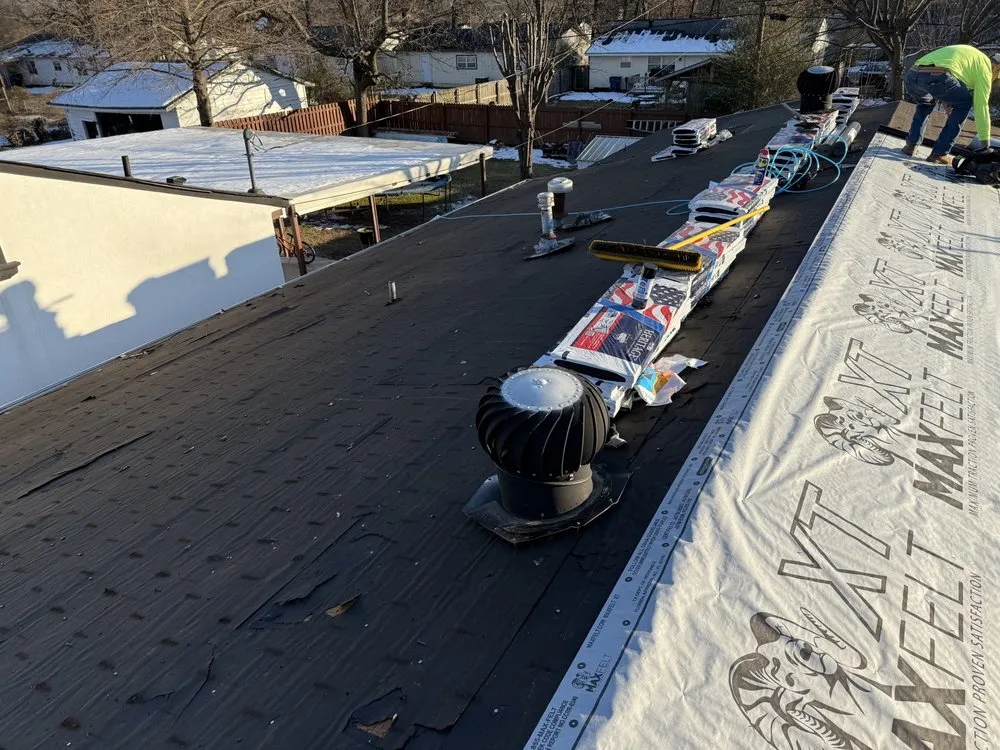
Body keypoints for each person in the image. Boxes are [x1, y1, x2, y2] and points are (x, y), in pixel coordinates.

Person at [902, 44, 1000, 164]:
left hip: (912, 75)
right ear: (996, 67)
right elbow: (982, 107)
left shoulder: (973, 57)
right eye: (996, 78)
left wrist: (946, 102)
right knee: (965, 103)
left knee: (925, 104)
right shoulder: (986, 70)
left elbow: (942, 73)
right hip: (938, 76)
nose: (993, 80)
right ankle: (939, 154)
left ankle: (911, 145)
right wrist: (985, 144)